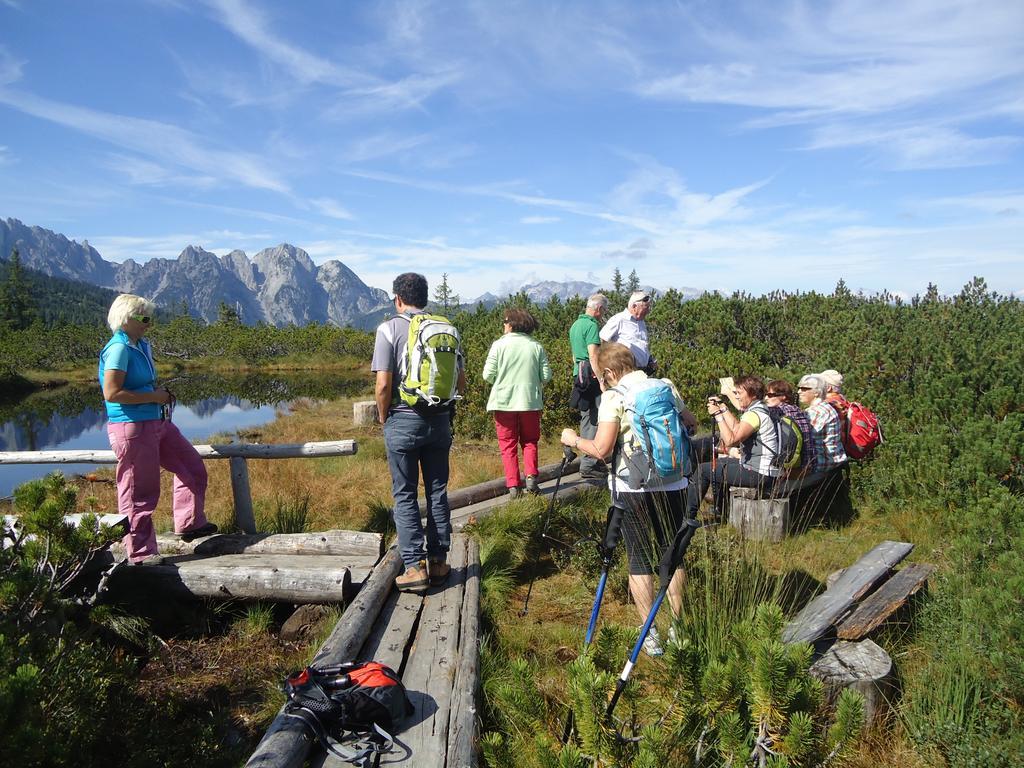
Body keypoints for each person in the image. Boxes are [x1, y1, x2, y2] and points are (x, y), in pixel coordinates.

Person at [560, 342, 696, 656]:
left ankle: (650, 634)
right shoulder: (665, 386)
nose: (602, 382)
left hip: (632, 488)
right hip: (674, 483)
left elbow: (602, 450)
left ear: (609, 372)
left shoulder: (614, 397)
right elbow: (690, 422)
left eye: (601, 377)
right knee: (673, 555)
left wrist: (573, 439)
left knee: (639, 559)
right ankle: (679, 627)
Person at [99, 294, 214, 565]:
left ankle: (189, 523)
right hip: (132, 427)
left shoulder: (141, 345)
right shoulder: (119, 349)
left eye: (150, 318)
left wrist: (156, 399)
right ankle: (140, 554)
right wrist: (153, 397)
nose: (149, 324)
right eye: (144, 318)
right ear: (127, 318)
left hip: (157, 423)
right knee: (139, 491)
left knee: (191, 465)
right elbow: (112, 392)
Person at [372, 273, 466, 593]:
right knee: (437, 491)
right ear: (424, 298)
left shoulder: (388, 329)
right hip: (440, 420)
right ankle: (439, 562)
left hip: (403, 418)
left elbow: (384, 384)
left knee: (405, 493)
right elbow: (461, 383)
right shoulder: (446, 329)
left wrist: (384, 417)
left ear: (398, 298)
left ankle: (414, 566)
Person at [686, 375, 782, 519]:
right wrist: (724, 408)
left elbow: (731, 440)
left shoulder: (753, 414)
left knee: (703, 471)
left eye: (739, 393)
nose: (736, 397)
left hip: (759, 473)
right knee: (717, 464)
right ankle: (721, 509)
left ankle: (688, 517)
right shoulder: (760, 409)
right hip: (765, 470)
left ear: (753, 394)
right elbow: (738, 428)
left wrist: (718, 415)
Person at [482, 307, 551, 497]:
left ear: (511, 325)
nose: (503, 325)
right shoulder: (536, 347)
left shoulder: (498, 345)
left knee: (507, 444)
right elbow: (546, 376)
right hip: (530, 401)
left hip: (503, 401)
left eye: (505, 322)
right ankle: (531, 478)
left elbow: (487, 375)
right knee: (530, 441)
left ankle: (513, 485)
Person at [568, 293, 608, 481]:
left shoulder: (575, 325)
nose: (603, 314)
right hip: (591, 377)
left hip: (579, 375)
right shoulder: (591, 325)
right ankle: (589, 463)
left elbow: (575, 356)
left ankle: (593, 459)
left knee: (587, 416)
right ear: (598, 308)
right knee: (598, 417)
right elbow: (593, 355)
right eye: (603, 310)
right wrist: (601, 379)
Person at [765, 379, 818, 474]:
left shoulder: (779, 411)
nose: (766, 398)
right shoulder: (797, 410)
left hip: (793, 471)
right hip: (808, 466)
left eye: (770, 395)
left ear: (784, 397)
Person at [798, 374, 848, 469]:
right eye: (799, 388)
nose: (799, 391)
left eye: (804, 389)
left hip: (822, 465)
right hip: (834, 463)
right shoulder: (826, 407)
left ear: (816, 392)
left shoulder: (816, 412)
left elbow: (804, 439)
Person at [599, 290, 656, 373]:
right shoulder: (619, 319)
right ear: (634, 306)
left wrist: (649, 359)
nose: (648, 311)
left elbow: (642, 345)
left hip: (644, 370)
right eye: (646, 308)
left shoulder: (641, 322)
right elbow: (602, 339)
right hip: (626, 370)